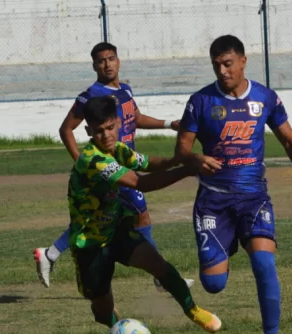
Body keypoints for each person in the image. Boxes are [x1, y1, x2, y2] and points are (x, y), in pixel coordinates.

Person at [174, 35, 292, 334]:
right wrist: (196, 160)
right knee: (213, 285)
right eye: (216, 65)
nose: (223, 71)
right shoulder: (199, 102)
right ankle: (202, 261)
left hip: (254, 198)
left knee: (264, 264)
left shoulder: (265, 98)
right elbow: (181, 149)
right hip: (213, 202)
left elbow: (288, 138)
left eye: (228, 64)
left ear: (243, 61)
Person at [34, 42, 193, 291]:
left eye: (111, 58)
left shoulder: (125, 90)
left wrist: (168, 123)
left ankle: (51, 254)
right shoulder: (91, 96)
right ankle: (162, 277)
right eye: (101, 60)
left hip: (127, 162)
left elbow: (136, 119)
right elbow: (66, 129)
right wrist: (82, 163)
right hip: (111, 171)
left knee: (104, 218)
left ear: (119, 60)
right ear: (94, 65)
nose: (107, 64)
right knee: (140, 214)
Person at [67, 96, 222, 334]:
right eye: (99, 131)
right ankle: (116, 329)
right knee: (101, 309)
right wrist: (187, 170)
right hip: (90, 243)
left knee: (159, 266)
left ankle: (193, 310)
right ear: (88, 131)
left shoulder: (118, 149)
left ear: (118, 123)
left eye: (110, 128)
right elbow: (141, 183)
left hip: (117, 231)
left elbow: (148, 163)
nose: (106, 135)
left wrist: (179, 159)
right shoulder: (92, 159)